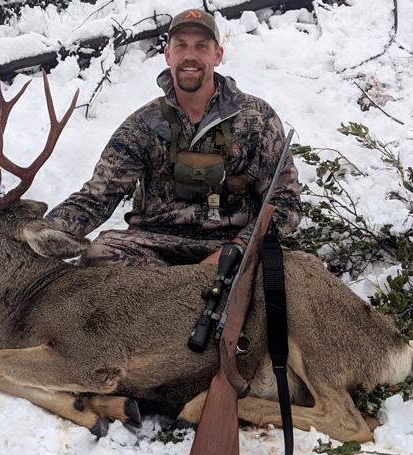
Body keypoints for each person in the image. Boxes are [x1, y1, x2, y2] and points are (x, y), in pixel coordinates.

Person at [45, 8, 302, 267]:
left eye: (201, 46)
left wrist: (239, 248)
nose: (190, 56)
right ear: (168, 55)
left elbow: (284, 203)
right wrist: (42, 232)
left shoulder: (258, 118)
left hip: (232, 248)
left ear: (218, 55)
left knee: (296, 275)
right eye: (181, 46)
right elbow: (97, 197)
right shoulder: (144, 124)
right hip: (152, 247)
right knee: (99, 256)